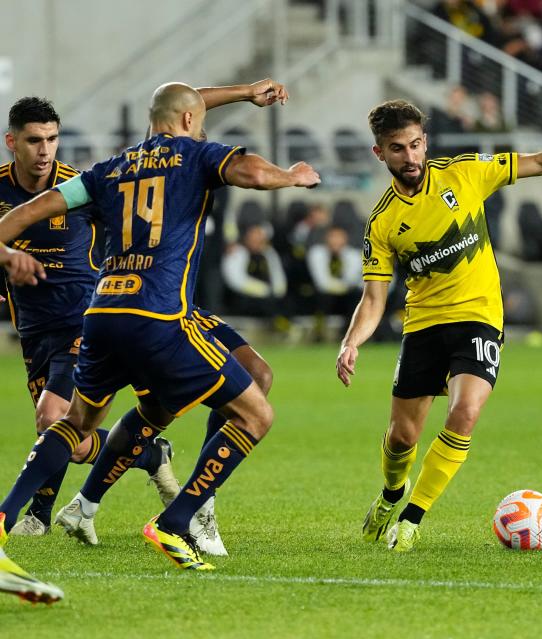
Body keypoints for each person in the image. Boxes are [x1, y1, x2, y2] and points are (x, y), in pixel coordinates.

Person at [0, 81, 319, 586]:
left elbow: (21, 216)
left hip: (100, 315)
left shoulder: (105, 171)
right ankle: (177, 519)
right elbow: (249, 171)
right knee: (257, 409)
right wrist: (291, 176)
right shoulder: (196, 155)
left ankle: (8, 514)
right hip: (160, 317)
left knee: (77, 421)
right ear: (190, 122)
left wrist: (6, 249)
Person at [336, 99, 542, 552]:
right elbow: (373, 299)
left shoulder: (465, 172)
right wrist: (352, 342)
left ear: (425, 142)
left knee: (464, 412)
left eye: (415, 145)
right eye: (397, 149)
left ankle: (411, 520)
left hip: (480, 318)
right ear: (380, 154)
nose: (410, 157)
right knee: (402, 436)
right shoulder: (382, 221)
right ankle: (393, 493)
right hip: (424, 324)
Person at [0, 98, 179, 540]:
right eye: (34, 140)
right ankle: (147, 455)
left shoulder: (80, 188)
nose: (45, 150)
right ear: (11, 142)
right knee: (73, 442)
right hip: (33, 329)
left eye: (52, 139)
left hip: (84, 322)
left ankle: (36, 516)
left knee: (52, 416)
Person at [307, 225, 363, 325]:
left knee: (357, 295)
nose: (336, 241)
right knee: (322, 297)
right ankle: (320, 331)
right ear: (326, 238)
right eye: (333, 237)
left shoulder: (354, 255)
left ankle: (351, 329)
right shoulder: (316, 253)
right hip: (325, 295)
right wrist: (340, 287)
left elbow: (351, 279)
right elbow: (322, 282)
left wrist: (343, 287)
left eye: (339, 237)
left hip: (346, 294)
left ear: (346, 239)